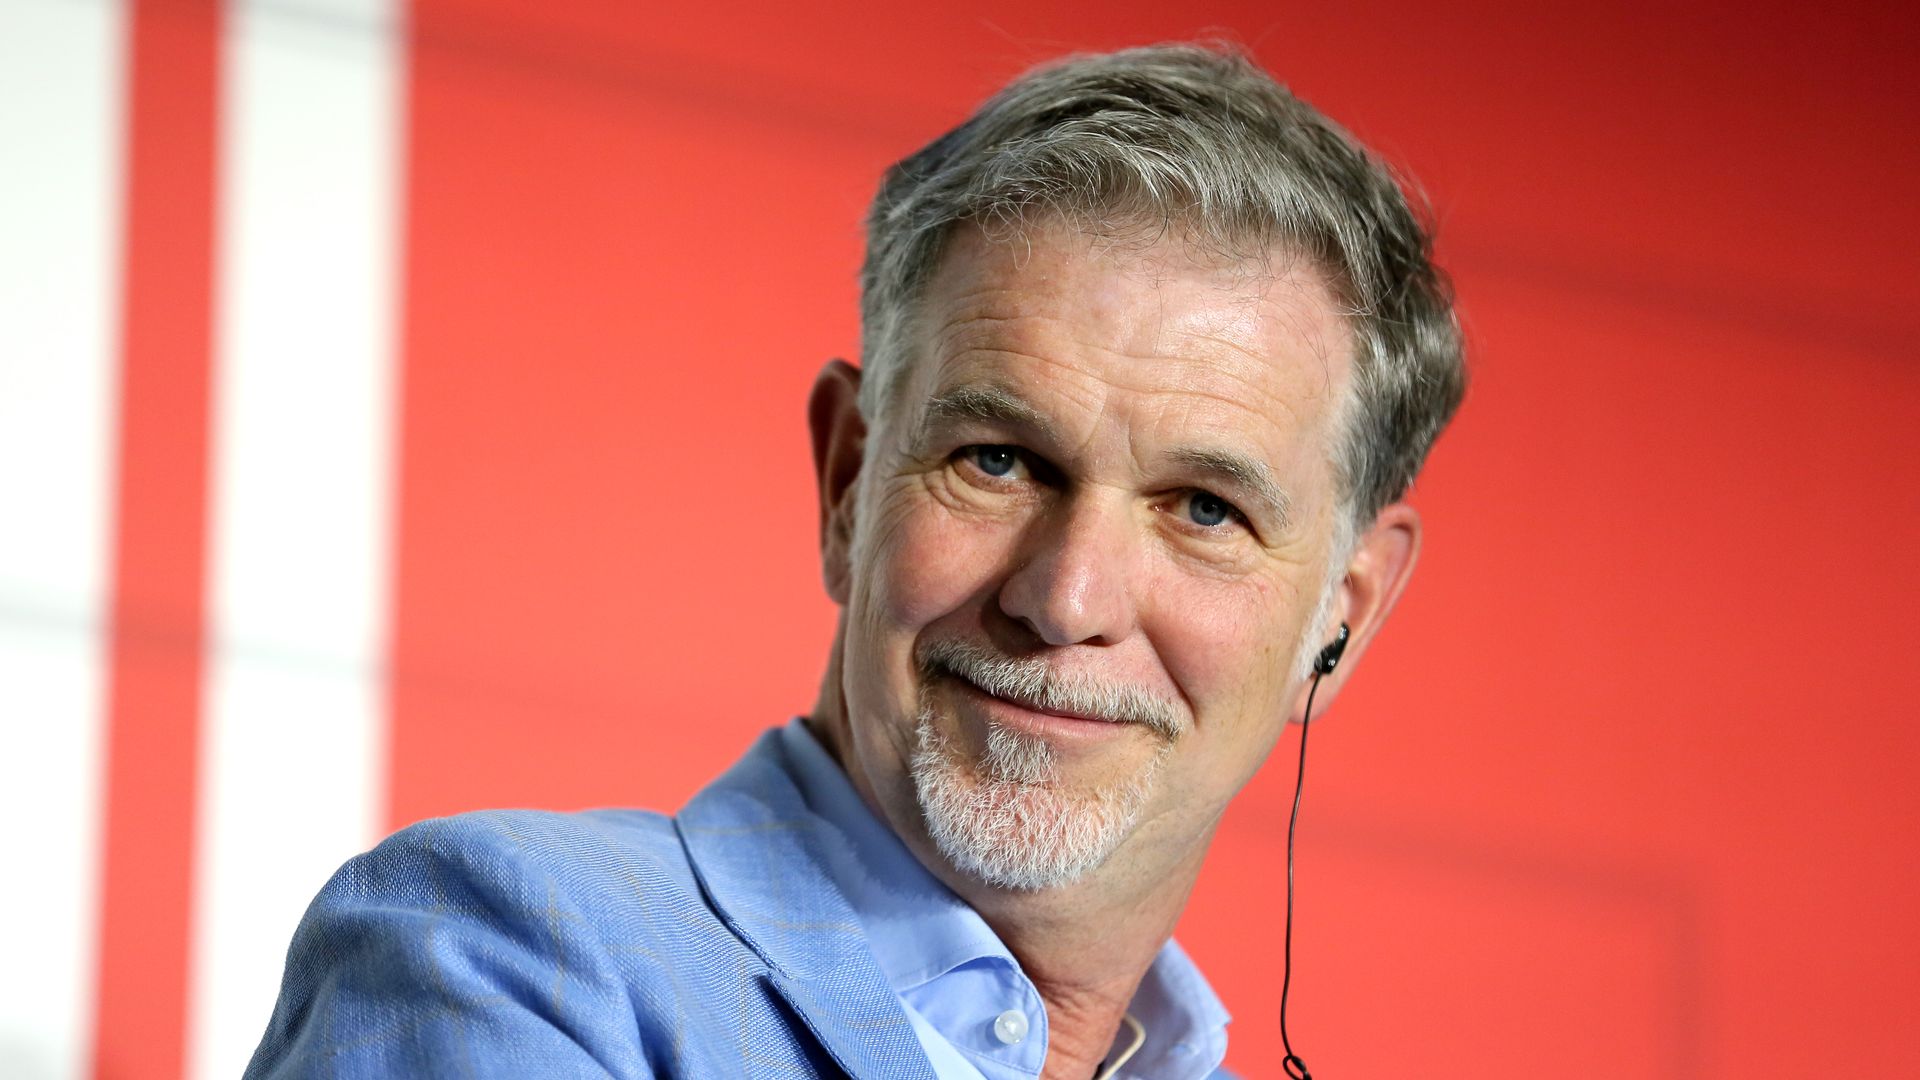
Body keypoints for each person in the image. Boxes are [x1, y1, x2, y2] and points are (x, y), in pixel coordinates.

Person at [246, 41, 1465, 1080]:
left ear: (1341, 612)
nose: (1067, 598)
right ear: (847, 484)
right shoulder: (499, 957)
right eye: (998, 461)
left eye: (1203, 508)